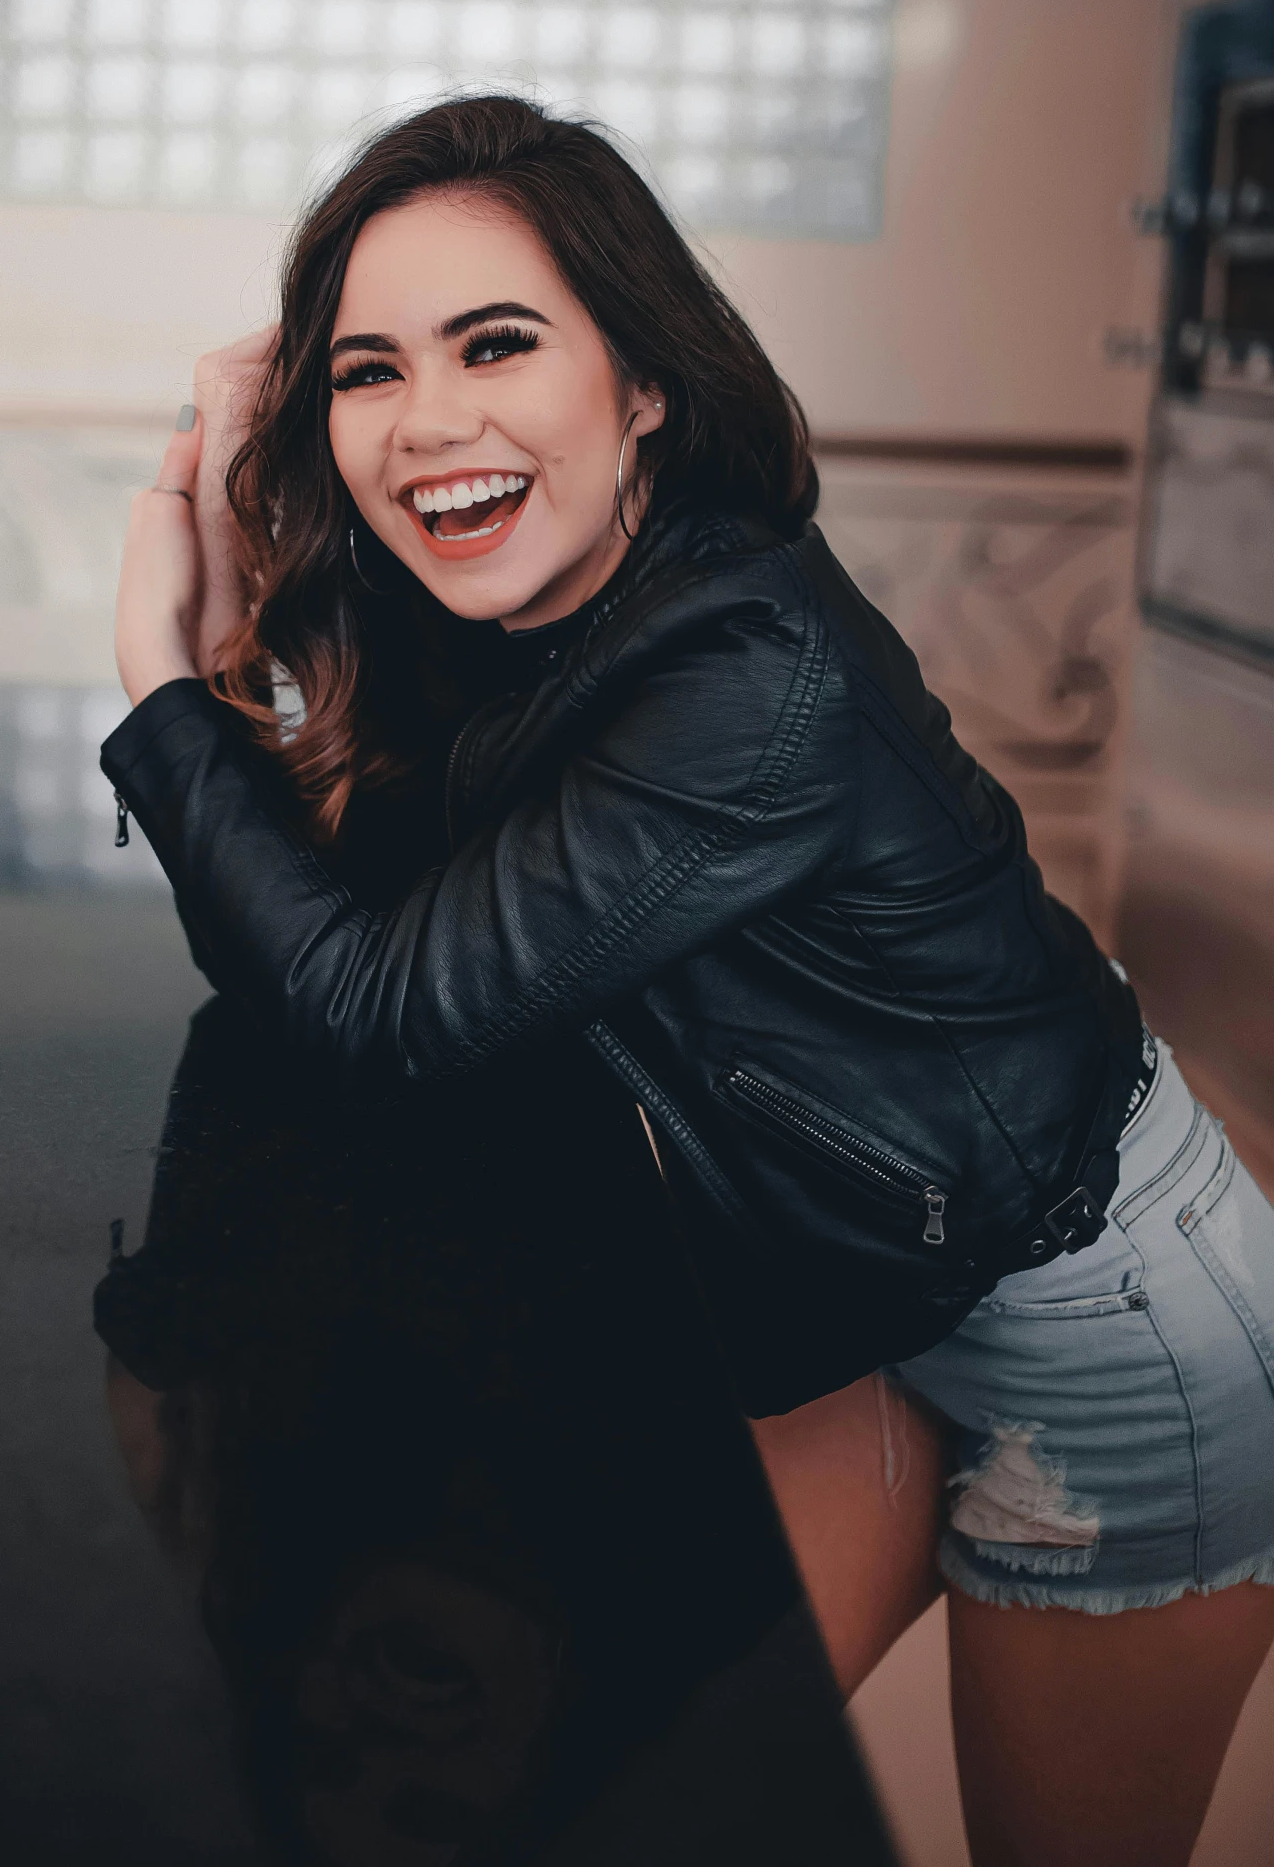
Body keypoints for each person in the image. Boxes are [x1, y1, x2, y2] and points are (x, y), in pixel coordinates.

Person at [106, 95, 1274, 1867]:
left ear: (642, 379)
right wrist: (241, 582)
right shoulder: (541, 614)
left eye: (497, 341)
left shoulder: (739, 668)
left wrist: (153, 679)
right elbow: (312, 947)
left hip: (1104, 1331)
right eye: (366, 370)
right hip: (856, 1276)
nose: (431, 418)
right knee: (668, 1789)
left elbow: (374, 1025)